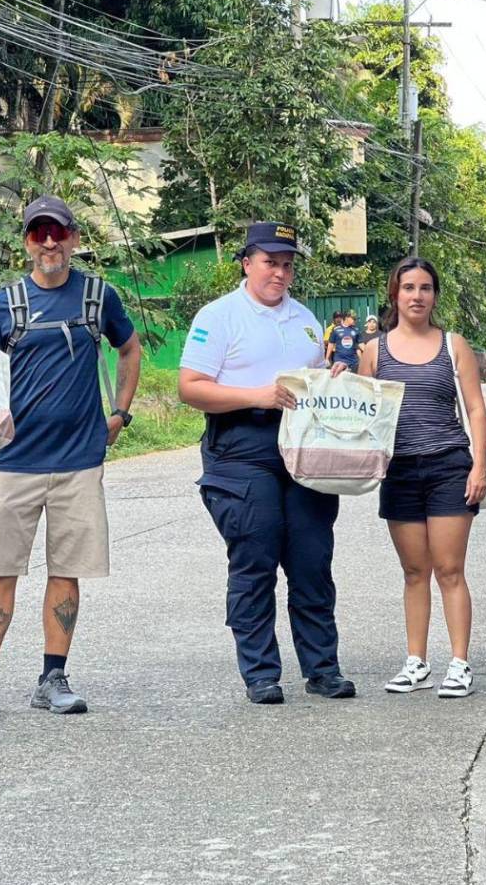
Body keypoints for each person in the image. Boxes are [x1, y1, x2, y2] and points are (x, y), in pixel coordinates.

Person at [0, 195, 142, 721]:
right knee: (0, 570)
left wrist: (120, 413)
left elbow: (129, 349)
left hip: (79, 463)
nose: (48, 243)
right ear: (26, 242)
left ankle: (52, 677)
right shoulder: (4, 304)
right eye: (38, 233)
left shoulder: (97, 297)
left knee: (67, 571)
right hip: (15, 462)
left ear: (74, 238)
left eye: (57, 233)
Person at [178, 222, 355, 705]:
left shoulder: (303, 320)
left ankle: (323, 669)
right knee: (255, 562)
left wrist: (331, 375)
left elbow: (312, 382)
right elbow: (190, 387)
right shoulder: (219, 316)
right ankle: (260, 673)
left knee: (312, 561)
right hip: (241, 449)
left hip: (302, 450)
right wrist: (256, 395)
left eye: (287, 264)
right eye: (270, 262)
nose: (280, 272)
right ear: (246, 263)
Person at [353, 258, 486, 698]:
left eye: (426, 288)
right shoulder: (374, 351)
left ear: (434, 295)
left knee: (449, 569)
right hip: (400, 471)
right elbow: (358, 410)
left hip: (449, 465)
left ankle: (459, 663)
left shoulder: (454, 345)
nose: (417, 295)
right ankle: (416, 662)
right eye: (408, 287)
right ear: (394, 293)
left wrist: (478, 464)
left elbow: (476, 409)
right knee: (415, 571)